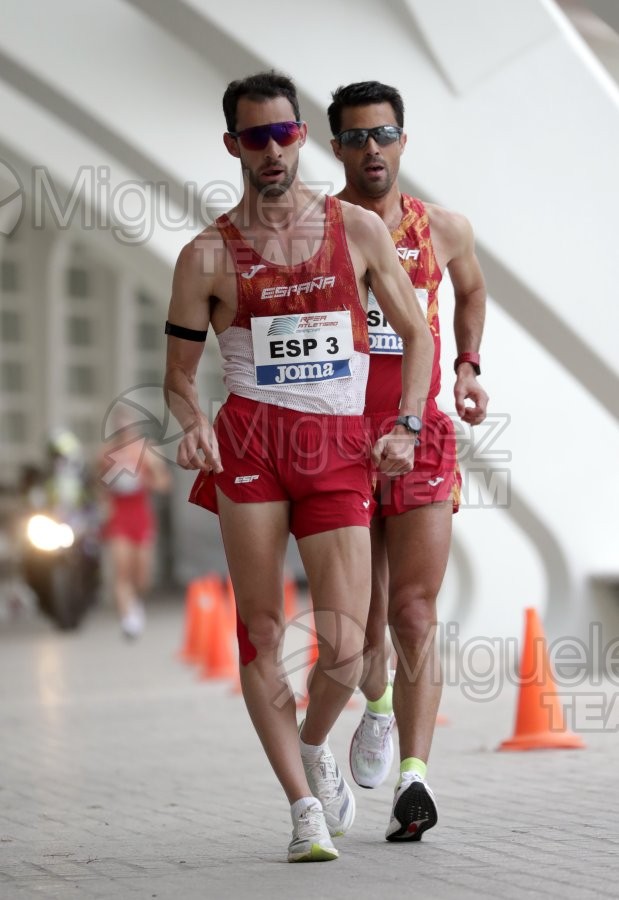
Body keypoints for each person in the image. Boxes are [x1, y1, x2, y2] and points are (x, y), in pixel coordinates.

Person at [163, 71, 433, 863]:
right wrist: (188, 425)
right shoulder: (205, 254)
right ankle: (303, 808)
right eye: (256, 137)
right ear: (232, 146)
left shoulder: (354, 231)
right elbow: (179, 377)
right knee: (260, 633)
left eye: (285, 134)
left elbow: (417, 336)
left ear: (300, 136)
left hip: (335, 448)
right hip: (250, 447)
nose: (274, 150)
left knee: (347, 649)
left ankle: (317, 743)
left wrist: (409, 425)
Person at [327, 81, 489, 842]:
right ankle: (378, 710)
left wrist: (467, 366)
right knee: (360, 631)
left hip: (419, 432)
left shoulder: (445, 227)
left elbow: (471, 290)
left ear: (402, 140)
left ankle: (414, 782)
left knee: (415, 613)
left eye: (383, 133)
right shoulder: (322, 229)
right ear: (337, 150)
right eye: (357, 137)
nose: (372, 149)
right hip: (339, 441)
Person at [97, 412, 170, 638]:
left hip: (140, 514)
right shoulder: (106, 454)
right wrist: (104, 504)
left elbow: (165, 484)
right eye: (121, 429)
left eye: (129, 429)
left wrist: (149, 476)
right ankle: (128, 618)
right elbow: (99, 486)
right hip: (119, 514)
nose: (125, 434)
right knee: (122, 569)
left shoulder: (148, 452)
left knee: (142, 575)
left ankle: (136, 602)